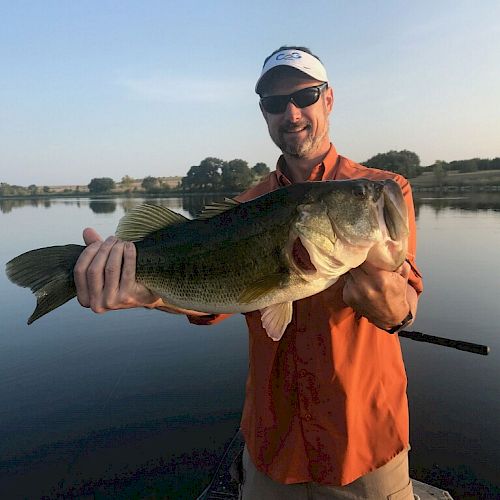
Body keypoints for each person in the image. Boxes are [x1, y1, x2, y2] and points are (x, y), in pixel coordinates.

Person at [74, 46, 423, 499]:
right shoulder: (244, 207)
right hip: (272, 446)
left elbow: (407, 303)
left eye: (305, 96)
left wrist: (391, 302)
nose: (291, 112)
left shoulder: (384, 189)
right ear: (264, 113)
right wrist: (149, 295)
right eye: (276, 103)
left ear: (329, 99)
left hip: (364, 443)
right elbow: (214, 303)